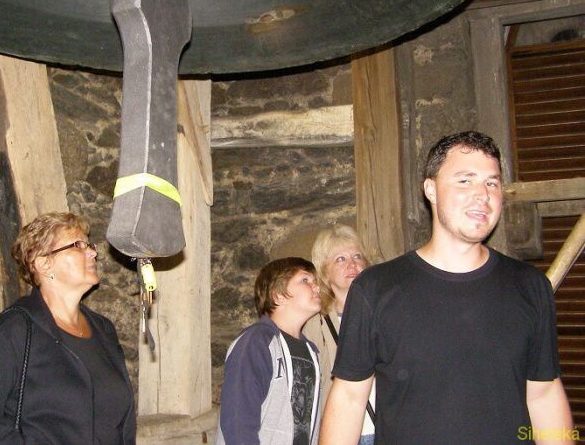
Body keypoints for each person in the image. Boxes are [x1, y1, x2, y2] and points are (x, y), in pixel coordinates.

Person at [321, 131, 573, 444]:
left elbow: (544, 394)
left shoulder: (530, 285)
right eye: (465, 180)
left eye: (491, 183)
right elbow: (349, 398)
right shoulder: (375, 288)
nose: (482, 195)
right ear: (431, 189)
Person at [0, 212, 136, 444]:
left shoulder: (103, 329)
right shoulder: (13, 332)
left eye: (89, 245)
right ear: (44, 264)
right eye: (78, 245)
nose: (93, 252)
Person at [216, 257, 323, 444]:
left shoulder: (311, 352)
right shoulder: (256, 343)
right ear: (278, 295)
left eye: (315, 281)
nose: (317, 287)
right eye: (305, 280)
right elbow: (238, 419)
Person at [302, 225, 375, 445]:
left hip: (389, 430)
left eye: (357, 256)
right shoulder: (314, 325)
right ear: (325, 272)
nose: (352, 264)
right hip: (343, 434)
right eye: (340, 259)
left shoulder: (385, 313)